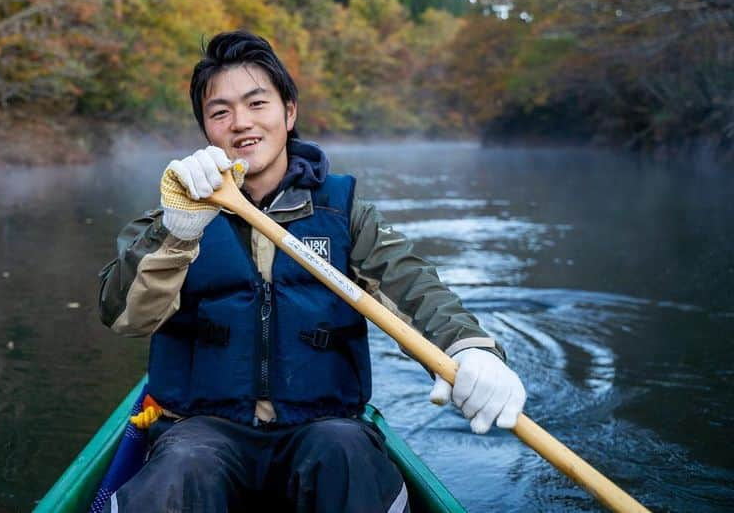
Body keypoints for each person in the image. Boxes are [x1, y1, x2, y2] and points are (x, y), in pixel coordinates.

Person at [97, 30, 526, 512]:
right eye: (220, 112)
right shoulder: (174, 214)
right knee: (180, 469)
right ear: (207, 131)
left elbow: (413, 288)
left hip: (321, 426)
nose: (241, 123)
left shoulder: (343, 211)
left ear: (289, 112)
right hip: (202, 430)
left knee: (345, 455)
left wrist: (470, 348)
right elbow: (123, 315)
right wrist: (179, 231)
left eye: (257, 103)